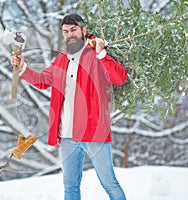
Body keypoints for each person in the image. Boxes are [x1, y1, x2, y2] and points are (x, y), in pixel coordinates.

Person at [11, 13, 127, 200]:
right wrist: (23, 67)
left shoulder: (95, 55)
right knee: (70, 187)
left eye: (73, 30)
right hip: (67, 135)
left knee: (109, 182)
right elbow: (42, 80)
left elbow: (119, 78)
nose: (69, 35)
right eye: (65, 31)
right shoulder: (62, 59)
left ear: (83, 30)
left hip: (94, 132)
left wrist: (102, 54)